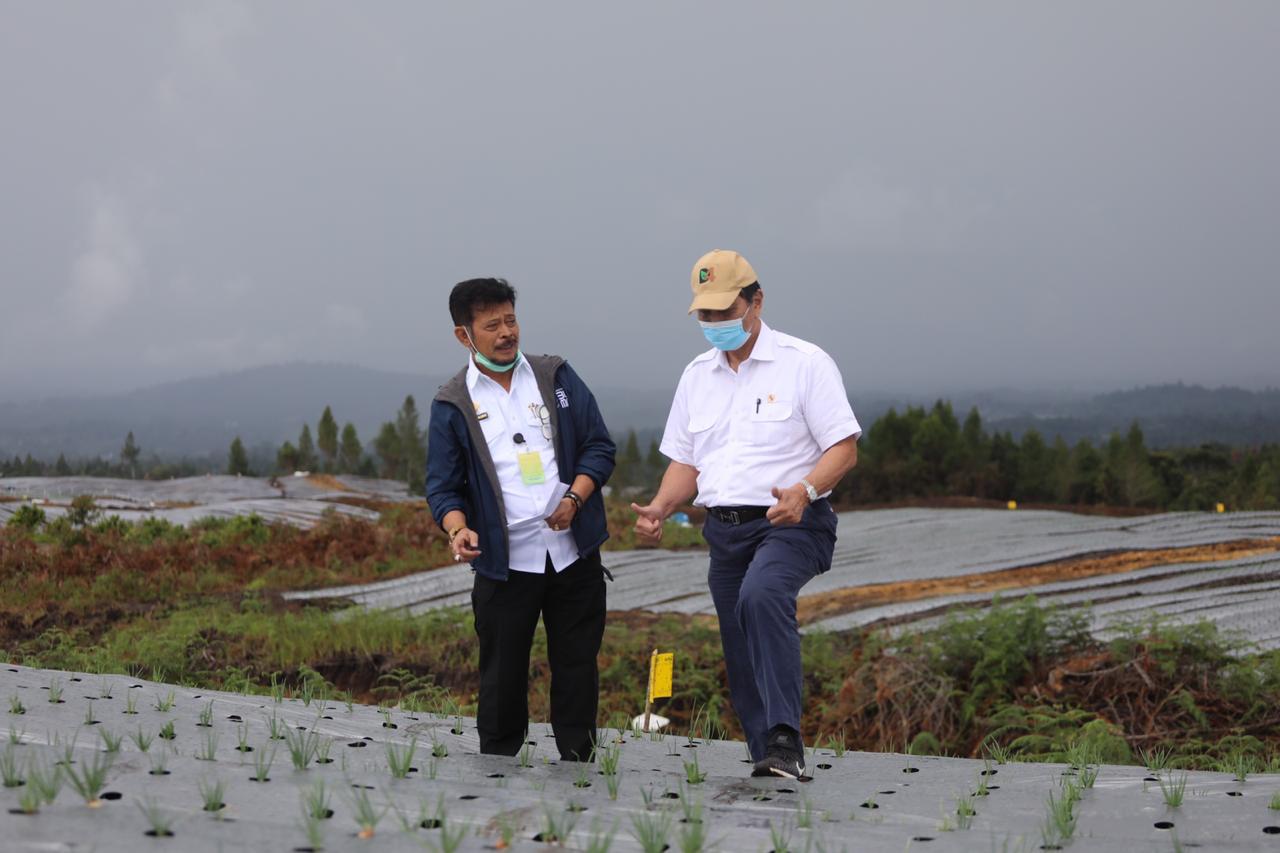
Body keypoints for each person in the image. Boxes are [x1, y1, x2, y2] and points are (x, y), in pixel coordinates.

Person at [631, 249, 860, 780]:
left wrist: (804, 490)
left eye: (725, 311)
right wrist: (661, 506)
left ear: (756, 302)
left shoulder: (805, 363)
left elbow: (844, 448)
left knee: (762, 596)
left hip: (791, 521)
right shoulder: (697, 376)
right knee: (738, 644)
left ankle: (785, 738)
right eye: (705, 314)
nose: (715, 323)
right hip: (725, 532)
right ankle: (769, 759)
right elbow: (687, 462)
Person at [426, 277, 616, 761]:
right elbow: (442, 487)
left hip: (572, 553)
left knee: (577, 664)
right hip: (505, 563)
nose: (507, 333)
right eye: (492, 325)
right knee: (502, 671)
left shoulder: (556, 377)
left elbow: (599, 446)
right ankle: (497, 766)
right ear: (464, 335)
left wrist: (575, 498)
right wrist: (457, 528)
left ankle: (579, 763)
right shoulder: (453, 403)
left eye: (511, 320)